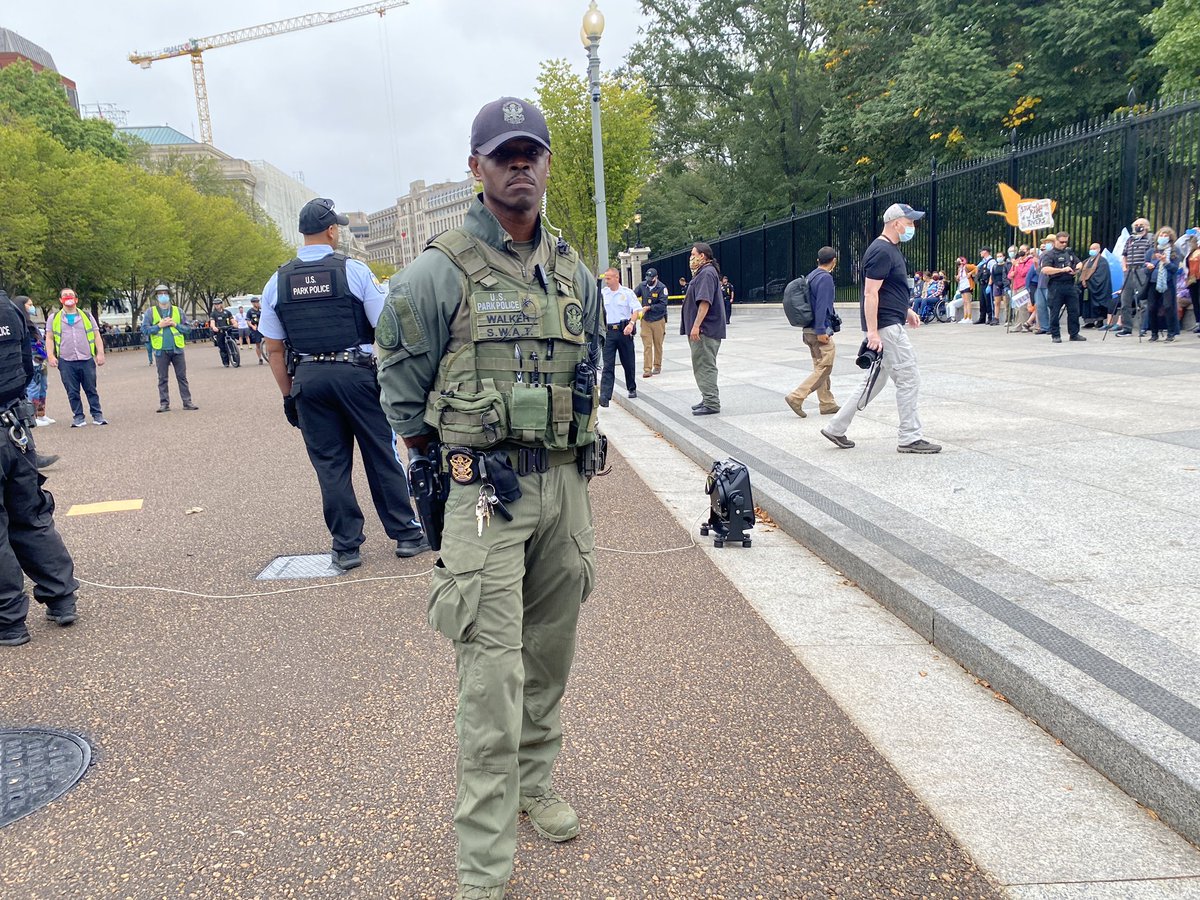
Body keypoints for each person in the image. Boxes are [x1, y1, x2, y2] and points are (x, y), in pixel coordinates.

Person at [375, 97, 601, 900]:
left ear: (546, 164)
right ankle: (483, 861)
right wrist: (443, 463)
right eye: (502, 153)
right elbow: (401, 393)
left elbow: (591, 368)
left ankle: (535, 786)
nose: (519, 164)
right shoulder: (438, 270)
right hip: (484, 499)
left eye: (530, 151)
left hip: (566, 487)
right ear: (476, 167)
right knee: (489, 677)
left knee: (551, 652)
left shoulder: (573, 271)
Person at [258, 197, 429, 570]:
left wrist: (289, 395)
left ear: (302, 234)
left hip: (307, 379)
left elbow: (273, 349)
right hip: (355, 374)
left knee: (330, 464)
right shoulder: (353, 270)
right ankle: (406, 535)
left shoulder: (277, 281)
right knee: (381, 454)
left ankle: (346, 546)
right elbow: (385, 329)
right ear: (332, 231)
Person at [820, 203, 940, 453]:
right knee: (908, 378)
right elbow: (870, 292)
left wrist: (905, 310)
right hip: (886, 327)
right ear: (896, 223)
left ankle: (836, 427)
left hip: (887, 322)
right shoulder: (882, 251)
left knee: (874, 381)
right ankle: (909, 437)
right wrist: (873, 332)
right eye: (910, 222)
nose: (913, 227)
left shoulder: (889, 249)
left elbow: (886, 290)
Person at [0, 288, 80, 646]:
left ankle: (9, 622)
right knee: (30, 515)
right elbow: (24, 363)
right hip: (15, 427)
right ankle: (61, 597)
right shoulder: (8, 307)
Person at [784, 246, 840, 418]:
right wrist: (821, 330)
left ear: (818, 261)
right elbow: (821, 305)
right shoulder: (825, 278)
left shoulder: (811, 276)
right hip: (818, 330)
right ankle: (797, 396)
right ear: (834, 261)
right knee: (825, 366)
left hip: (808, 329)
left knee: (819, 365)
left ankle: (827, 403)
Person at [45, 289, 107, 428]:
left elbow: (96, 335)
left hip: (86, 358)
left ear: (76, 299)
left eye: (71, 295)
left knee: (91, 389)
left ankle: (97, 415)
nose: (68, 298)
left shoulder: (87, 316)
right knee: (72, 391)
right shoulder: (54, 318)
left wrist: (100, 353)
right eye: (65, 296)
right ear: (61, 300)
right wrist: (51, 355)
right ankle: (78, 417)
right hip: (66, 361)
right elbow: (49, 338)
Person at [682, 241, 726, 416]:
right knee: (701, 364)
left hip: (705, 330)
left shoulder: (706, 273)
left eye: (693, 254)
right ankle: (707, 397)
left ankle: (711, 402)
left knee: (704, 364)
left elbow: (704, 302)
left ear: (703, 256)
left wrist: (696, 325)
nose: (691, 257)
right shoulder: (703, 273)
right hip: (704, 329)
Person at [141, 284, 198, 413]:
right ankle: (164, 404)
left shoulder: (178, 311)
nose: (163, 296)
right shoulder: (150, 312)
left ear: (169, 295)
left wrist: (175, 324)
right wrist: (159, 326)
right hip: (160, 349)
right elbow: (144, 330)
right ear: (156, 297)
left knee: (182, 377)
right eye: (160, 294)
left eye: (165, 293)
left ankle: (187, 402)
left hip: (177, 348)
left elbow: (188, 329)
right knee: (162, 378)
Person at [599, 267, 640, 407]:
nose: (607, 281)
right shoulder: (603, 294)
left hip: (624, 331)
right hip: (609, 332)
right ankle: (605, 395)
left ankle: (631, 387)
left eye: (609, 278)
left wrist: (631, 323)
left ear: (617, 278)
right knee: (608, 365)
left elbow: (636, 310)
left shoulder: (627, 293)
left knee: (628, 362)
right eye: (606, 278)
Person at [1042, 231, 1084, 343]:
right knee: (1055, 311)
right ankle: (1055, 334)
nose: (1064, 244)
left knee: (1074, 311)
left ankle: (1074, 334)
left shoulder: (1069, 253)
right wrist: (1061, 270)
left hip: (1070, 284)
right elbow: (1045, 270)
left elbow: (1079, 263)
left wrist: (1077, 270)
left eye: (1066, 242)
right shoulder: (1049, 254)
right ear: (1056, 241)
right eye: (1061, 242)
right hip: (1056, 285)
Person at [1115, 217, 1154, 337]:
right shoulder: (1130, 239)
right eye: (1136, 224)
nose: (1138, 226)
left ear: (1147, 226)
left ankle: (1143, 327)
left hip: (1141, 270)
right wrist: (1124, 267)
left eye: (1141, 224)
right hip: (1129, 270)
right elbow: (1124, 255)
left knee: (1143, 300)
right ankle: (1127, 328)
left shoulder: (1150, 239)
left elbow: (1152, 254)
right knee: (1125, 299)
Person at [1145, 226, 1181, 342]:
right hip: (1153, 282)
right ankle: (1154, 333)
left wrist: (1165, 262)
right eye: (1161, 235)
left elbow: (1175, 269)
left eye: (1166, 236)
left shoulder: (1174, 251)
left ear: (1170, 238)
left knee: (1168, 306)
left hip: (1167, 282)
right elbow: (1144, 269)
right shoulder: (1151, 251)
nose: (1163, 237)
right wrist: (1149, 268)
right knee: (1151, 308)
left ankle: (1171, 333)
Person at [634, 267, 669, 376]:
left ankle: (657, 366)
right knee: (647, 345)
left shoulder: (662, 288)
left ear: (656, 277)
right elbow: (633, 296)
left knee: (658, 344)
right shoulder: (642, 286)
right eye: (648, 278)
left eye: (651, 278)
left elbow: (663, 305)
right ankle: (647, 369)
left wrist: (650, 307)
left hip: (658, 319)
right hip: (646, 320)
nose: (649, 280)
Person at [1080, 243, 1114, 330]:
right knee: (1086, 303)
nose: (1092, 250)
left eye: (1094, 248)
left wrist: (1089, 281)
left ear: (1099, 250)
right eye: (1091, 248)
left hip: (1096, 286)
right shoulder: (1087, 261)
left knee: (1098, 303)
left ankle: (1099, 321)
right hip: (1087, 287)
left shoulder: (1103, 262)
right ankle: (1089, 321)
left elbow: (1101, 276)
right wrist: (1083, 281)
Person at [208, 299, 238, 366]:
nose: (217, 305)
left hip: (228, 330)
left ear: (221, 304)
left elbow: (232, 320)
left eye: (218, 304)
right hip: (220, 331)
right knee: (222, 347)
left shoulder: (227, 312)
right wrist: (214, 327)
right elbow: (212, 322)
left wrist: (235, 324)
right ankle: (226, 362)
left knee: (233, 345)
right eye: (215, 304)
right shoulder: (213, 314)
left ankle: (236, 360)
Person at [950, 257, 976, 323]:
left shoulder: (967, 266)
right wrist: (957, 278)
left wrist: (970, 273)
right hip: (962, 286)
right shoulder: (959, 269)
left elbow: (976, 268)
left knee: (968, 301)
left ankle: (969, 318)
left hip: (967, 285)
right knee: (964, 302)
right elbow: (959, 278)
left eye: (959, 261)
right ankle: (965, 317)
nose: (958, 262)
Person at [975, 248, 995, 324]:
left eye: (982, 251)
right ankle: (982, 318)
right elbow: (977, 272)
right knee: (982, 302)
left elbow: (992, 274)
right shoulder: (982, 262)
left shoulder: (991, 261)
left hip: (988, 283)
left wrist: (989, 285)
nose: (980, 253)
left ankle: (990, 318)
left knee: (988, 301)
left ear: (986, 252)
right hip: (982, 283)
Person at [246, 297, 266, 365]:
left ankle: (268, 355)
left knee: (268, 341)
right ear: (252, 303)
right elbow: (248, 321)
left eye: (257, 302)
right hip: (255, 328)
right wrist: (252, 326)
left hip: (263, 327)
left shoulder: (261, 310)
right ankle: (260, 358)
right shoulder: (250, 311)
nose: (257, 303)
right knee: (258, 344)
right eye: (255, 302)